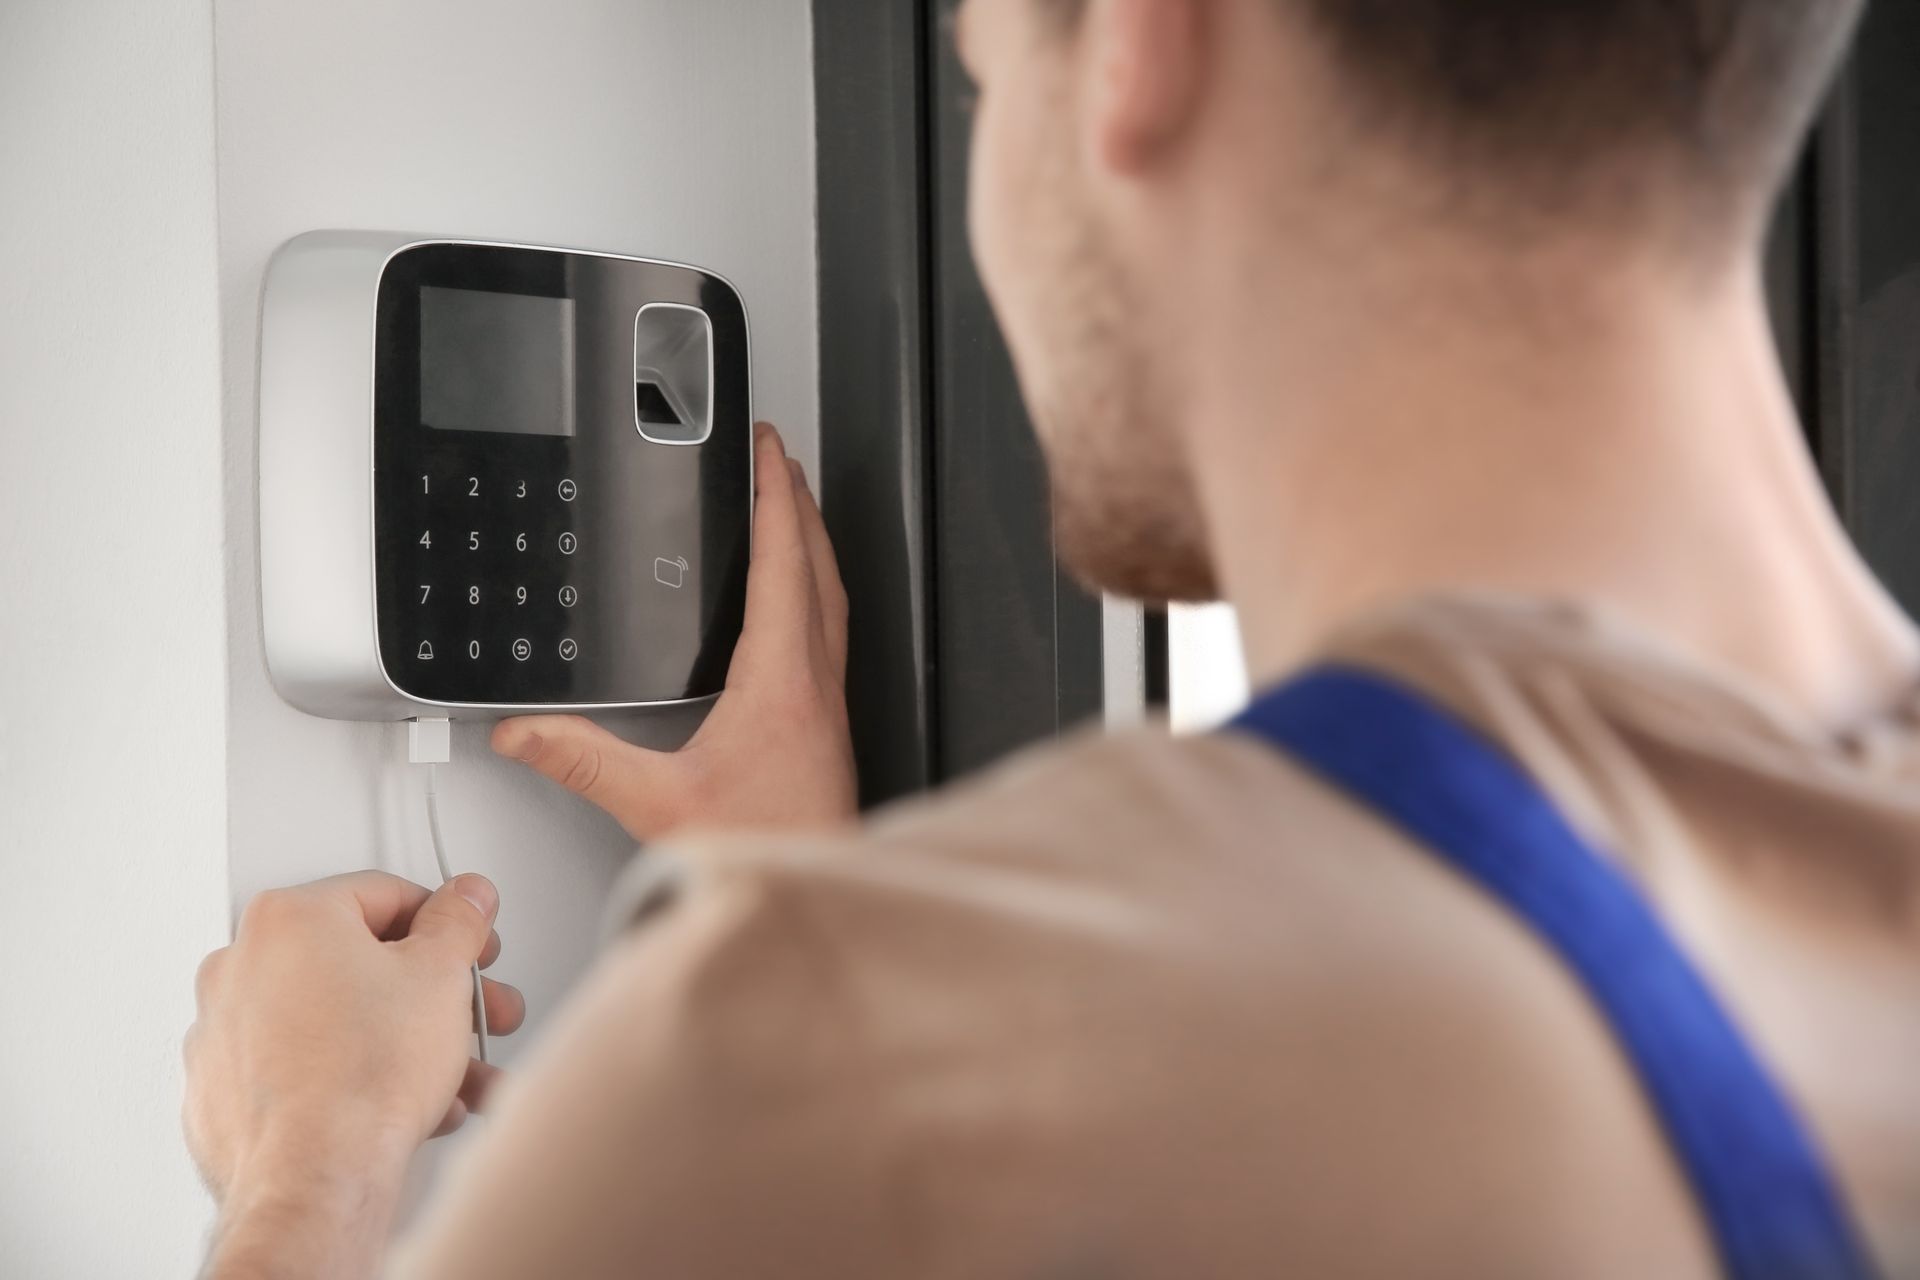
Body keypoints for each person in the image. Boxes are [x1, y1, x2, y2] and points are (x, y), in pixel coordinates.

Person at [185, 0, 1920, 1275]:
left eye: (982, 76)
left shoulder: (850, 1068)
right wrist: (813, 866)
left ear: (1148, 44)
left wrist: (309, 1168)